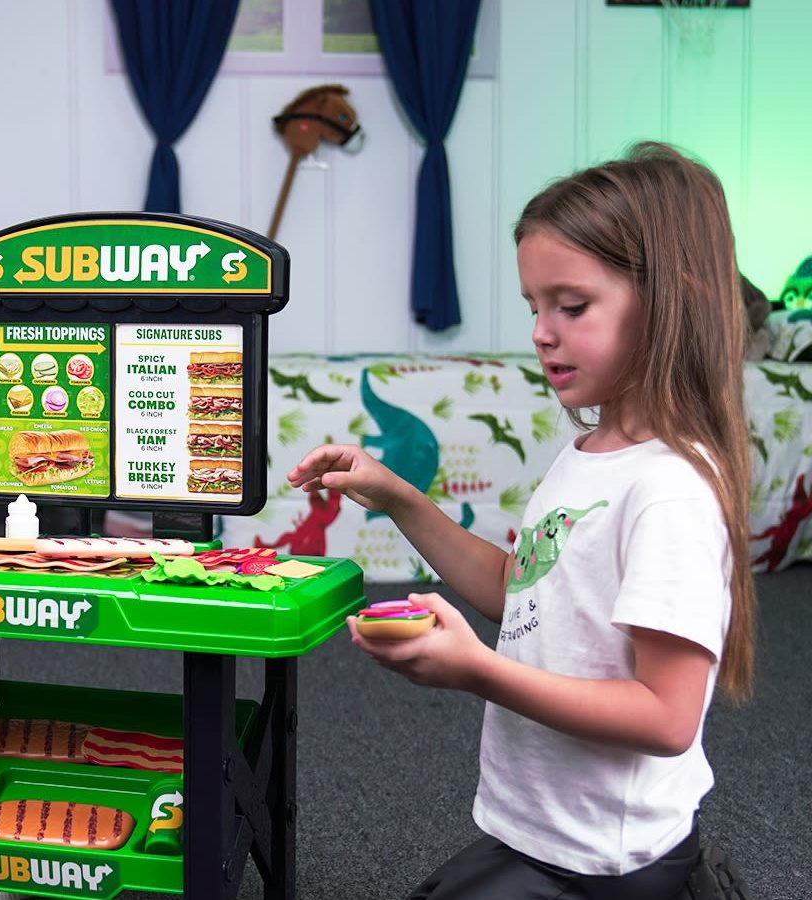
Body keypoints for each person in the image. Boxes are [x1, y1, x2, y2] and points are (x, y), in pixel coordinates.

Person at [288, 142, 755, 900]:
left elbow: (667, 716)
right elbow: (523, 591)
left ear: (672, 300)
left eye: (571, 306)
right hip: (546, 831)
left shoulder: (668, 490)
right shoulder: (592, 454)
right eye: (535, 307)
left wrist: (480, 670)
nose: (542, 330)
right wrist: (400, 495)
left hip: (610, 857)